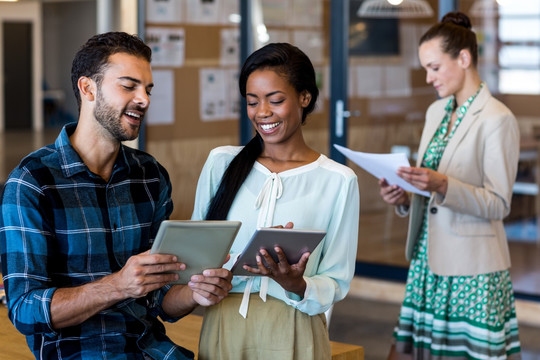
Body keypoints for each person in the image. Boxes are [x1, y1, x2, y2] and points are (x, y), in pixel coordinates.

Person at [0, 32, 232, 360]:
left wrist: (196, 292)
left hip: (155, 352)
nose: (144, 99)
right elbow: (24, 310)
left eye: (148, 89)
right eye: (129, 86)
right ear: (88, 88)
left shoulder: (150, 175)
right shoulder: (32, 182)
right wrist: (118, 285)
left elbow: (160, 297)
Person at [191, 42, 360, 359]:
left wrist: (297, 284)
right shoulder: (221, 163)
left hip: (294, 327)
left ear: (305, 97)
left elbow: (336, 279)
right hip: (223, 323)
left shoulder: (338, 180)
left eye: (276, 100)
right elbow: (197, 256)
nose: (262, 112)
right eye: (252, 102)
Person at [378, 12, 521, 359]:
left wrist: (443, 184)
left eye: (434, 67)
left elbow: (499, 204)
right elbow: (429, 190)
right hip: (428, 260)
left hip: (472, 269)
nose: (428, 78)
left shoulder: (498, 119)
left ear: (464, 58)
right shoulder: (436, 112)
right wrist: (404, 195)